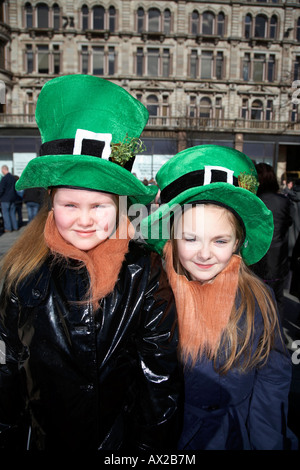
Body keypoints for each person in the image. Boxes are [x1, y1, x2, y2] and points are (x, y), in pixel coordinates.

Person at [0, 75, 182, 451]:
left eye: (98, 206)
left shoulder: (143, 273)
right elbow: (7, 368)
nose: (84, 220)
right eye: (70, 205)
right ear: (51, 202)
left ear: (119, 206)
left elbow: (159, 380)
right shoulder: (21, 272)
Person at [141, 145, 298, 450]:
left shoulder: (258, 298)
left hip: (236, 434)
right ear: (172, 235)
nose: (204, 253)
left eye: (220, 240)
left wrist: (267, 441)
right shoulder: (153, 294)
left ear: (238, 241)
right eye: (190, 238)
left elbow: (273, 377)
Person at [251, 163, 293, 320]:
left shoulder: (254, 201)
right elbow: (288, 223)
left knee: (256, 298)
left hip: (257, 255)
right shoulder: (283, 201)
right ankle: (277, 335)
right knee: (277, 298)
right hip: (278, 256)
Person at [0, 165, 18, 232]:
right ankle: (15, 226)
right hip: (13, 198)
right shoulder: (13, 178)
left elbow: (1, 189)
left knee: (6, 214)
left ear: (4, 170)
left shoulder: (4, 179)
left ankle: (8, 228)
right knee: (12, 213)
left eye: (2, 170)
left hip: (5, 199)